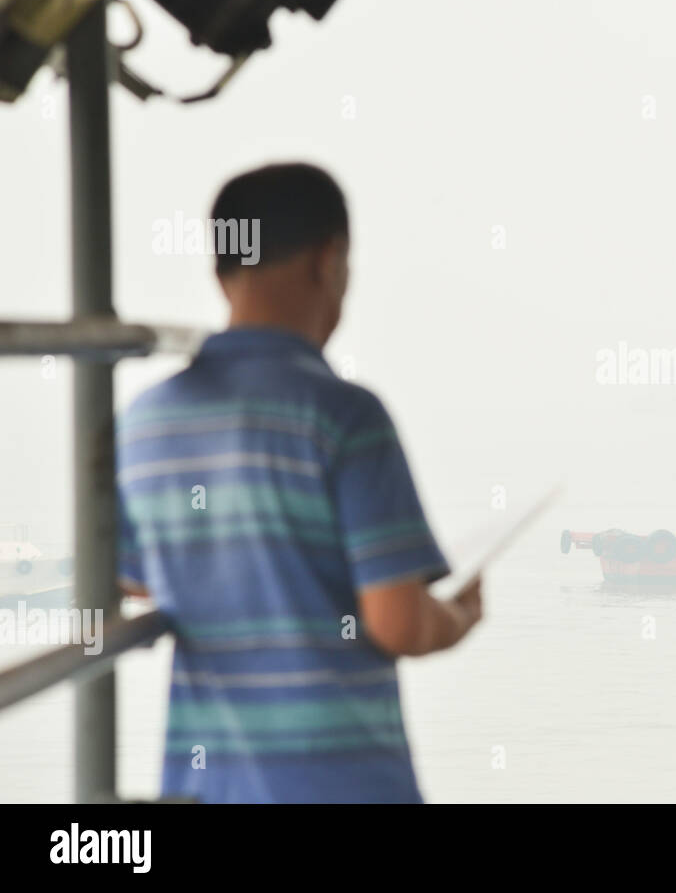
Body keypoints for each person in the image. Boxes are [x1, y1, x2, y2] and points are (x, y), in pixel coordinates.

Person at [116, 162, 480, 802]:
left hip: (208, 786)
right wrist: (457, 615)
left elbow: (134, 575)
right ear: (329, 260)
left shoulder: (144, 424)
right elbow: (397, 623)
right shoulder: (344, 417)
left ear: (221, 271)